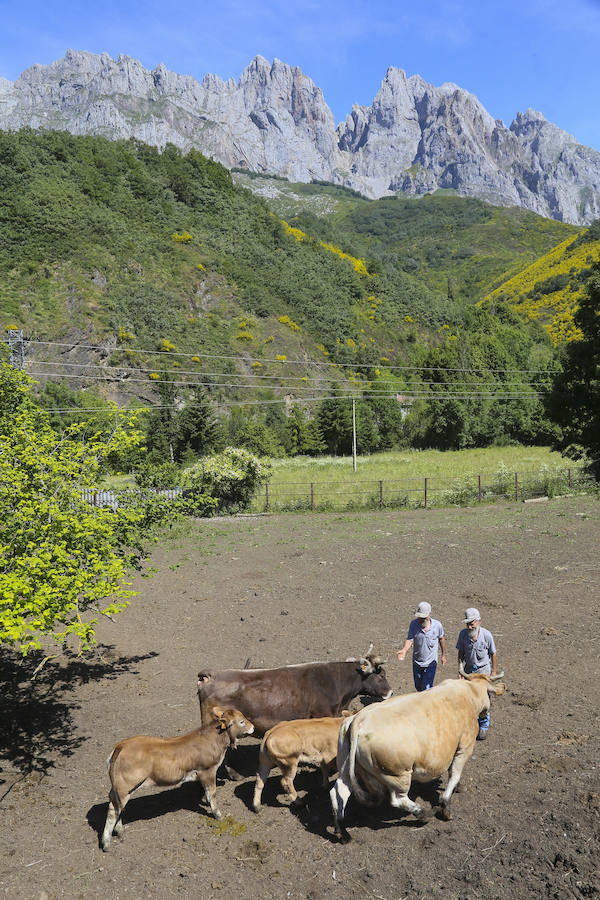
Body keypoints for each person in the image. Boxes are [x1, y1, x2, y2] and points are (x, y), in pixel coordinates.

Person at [456, 607, 497, 741]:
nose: (469, 626)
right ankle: (471, 725)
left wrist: (494, 671)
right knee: (469, 699)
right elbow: (461, 653)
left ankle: (484, 725)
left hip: (483, 672)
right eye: (467, 623)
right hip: (469, 672)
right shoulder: (463, 635)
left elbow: (493, 653)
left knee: (484, 699)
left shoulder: (486, 635)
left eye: (472, 623)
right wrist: (460, 669)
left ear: (479, 621)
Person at [397, 601, 447, 691]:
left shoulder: (437, 626)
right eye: (419, 617)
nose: (421, 620)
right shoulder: (414, 624)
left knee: (427, 688)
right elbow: (410, 639)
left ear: (429, 615)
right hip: (417, 662)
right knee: (419, 687)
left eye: (423, 618)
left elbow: (441, 639)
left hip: (431, 663)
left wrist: (443, 655)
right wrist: (404, 650)